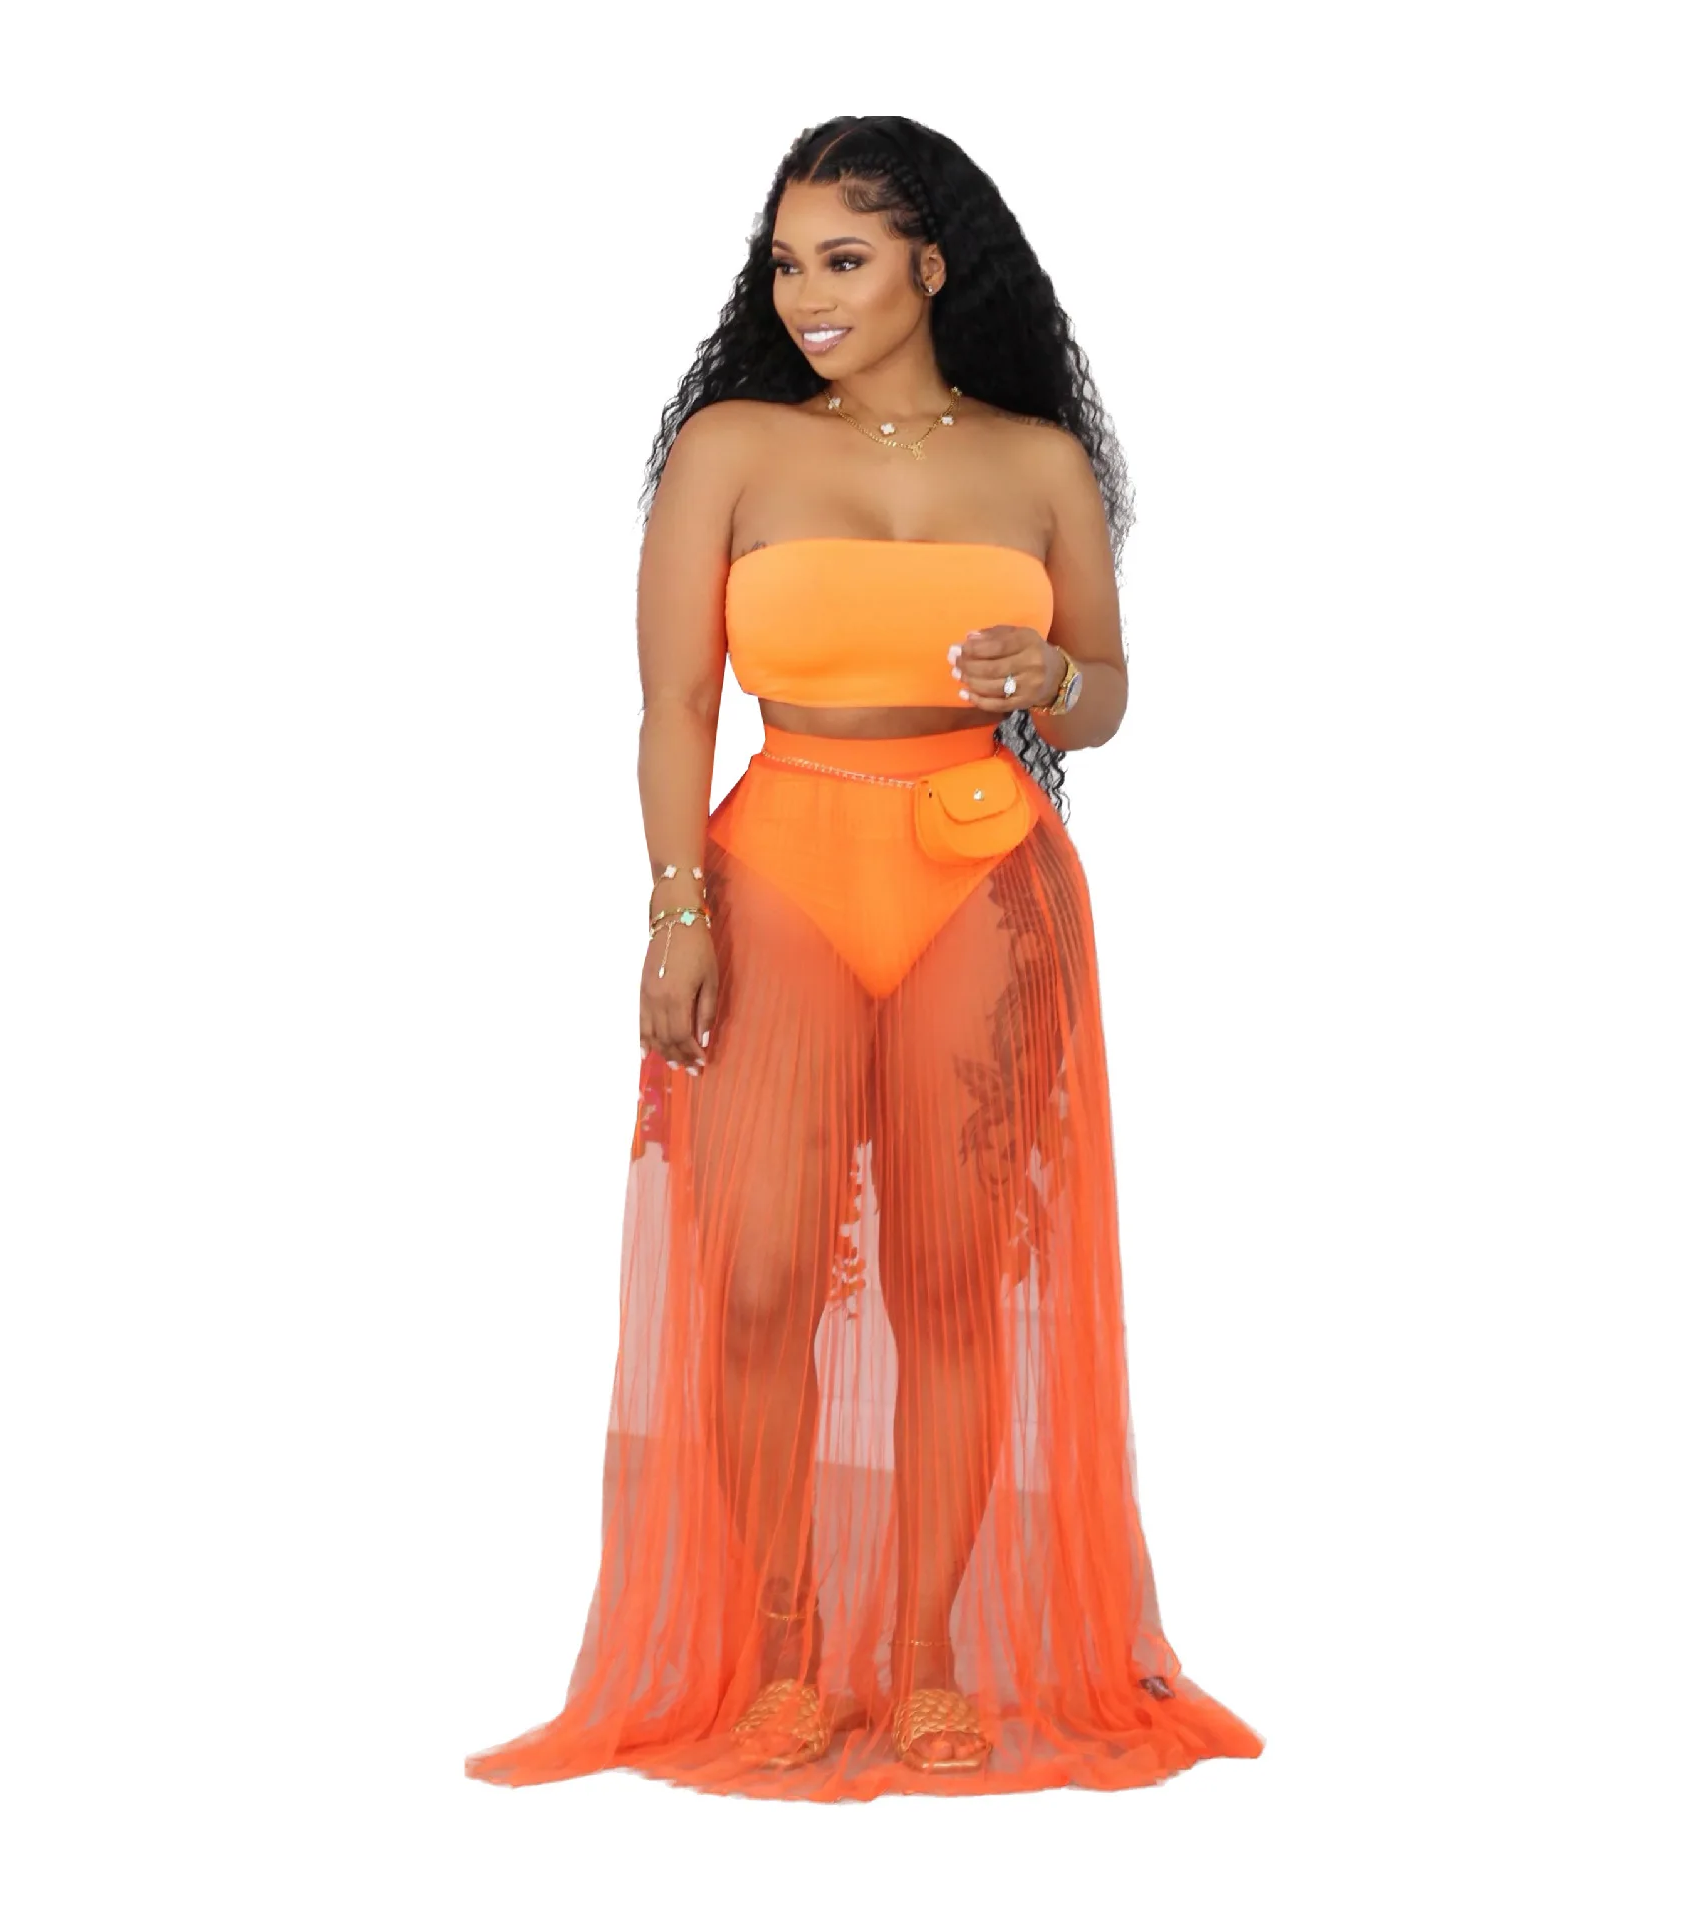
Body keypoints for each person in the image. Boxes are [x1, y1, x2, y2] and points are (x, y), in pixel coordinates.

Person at [464, 114, 1264, 1799]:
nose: (806, 294)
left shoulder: (1039, 464)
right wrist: (675, 907)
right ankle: (779, 1643)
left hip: (985, 876)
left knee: (953, 1280)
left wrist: (1056, 686)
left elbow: (1107, 692)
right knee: (757, 1277)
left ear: (932, 265)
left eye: (843, 258)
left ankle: (923, 1658)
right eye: (785, 263)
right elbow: (674, 702)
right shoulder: (733, 448)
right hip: (779, 867)